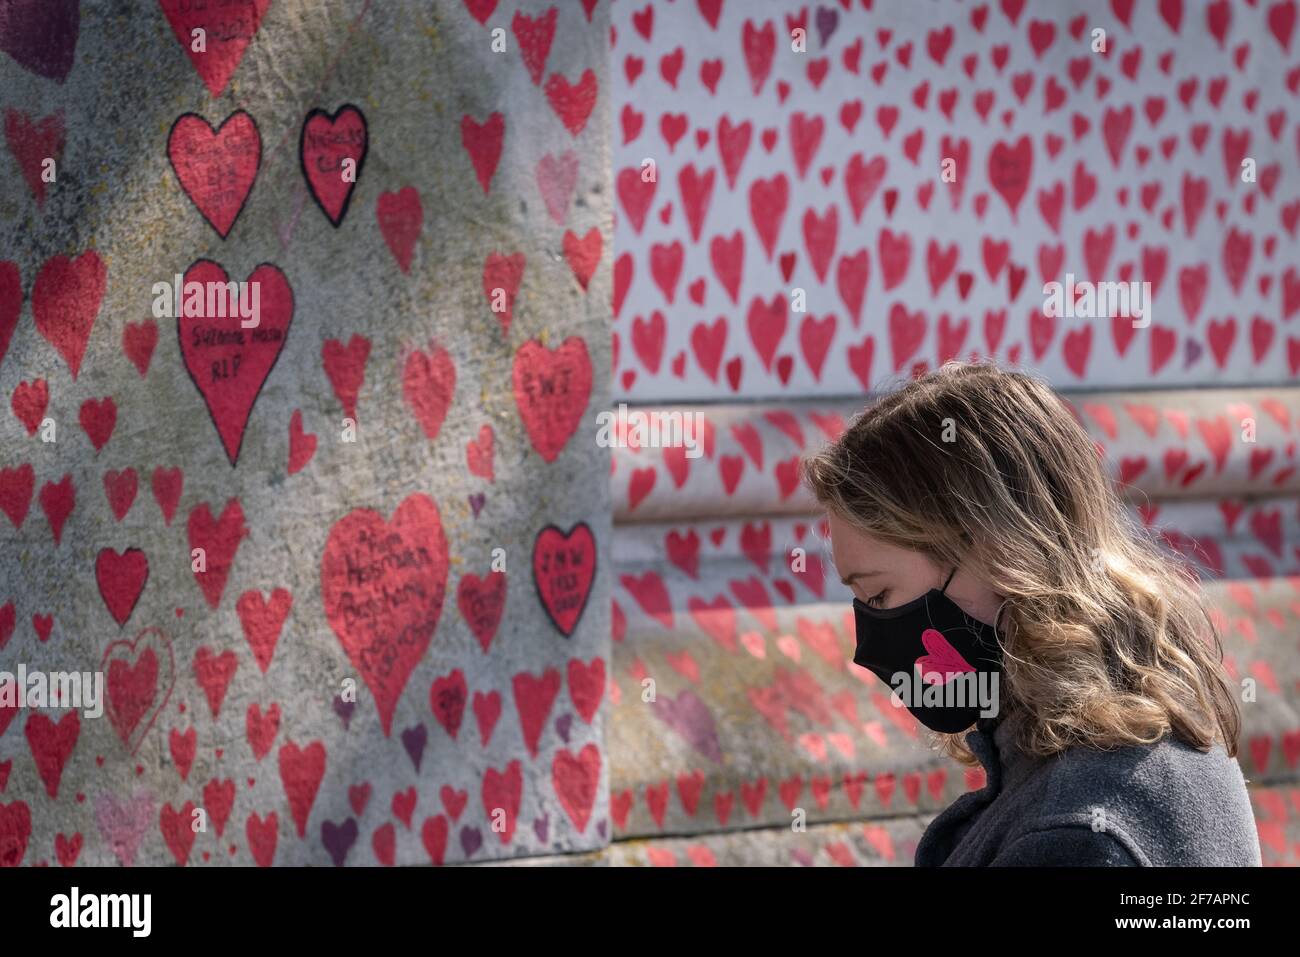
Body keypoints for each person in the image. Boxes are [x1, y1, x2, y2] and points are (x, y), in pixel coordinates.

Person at [800, 361, 1261, 866]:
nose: (869, 642)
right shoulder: (1158, 746)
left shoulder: (1072, 834)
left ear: (1000, 555)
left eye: (880, 595)